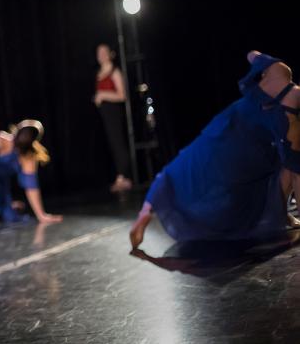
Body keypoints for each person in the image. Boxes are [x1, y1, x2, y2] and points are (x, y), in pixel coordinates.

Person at [130, 51, 300, 249]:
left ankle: (145, 212)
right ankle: (279, 213)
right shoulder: (293, 104)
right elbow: (295, 172)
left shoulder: (277, 70)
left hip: (230, 126)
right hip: (253, 143)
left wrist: (260, 69)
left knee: (187, 163)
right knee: (286, 169)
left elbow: (251, 54)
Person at [94, 43, 133, 192]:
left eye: (104, 52)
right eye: (99, 53)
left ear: (110, 54)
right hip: (104, 114)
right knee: (112, 143)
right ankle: (120, 175)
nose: (101, 55)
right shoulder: (99, 72)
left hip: (113, 112)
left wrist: (103, 95)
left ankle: (124, 177)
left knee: (118, 143)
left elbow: (122, 95)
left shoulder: (114, 71)